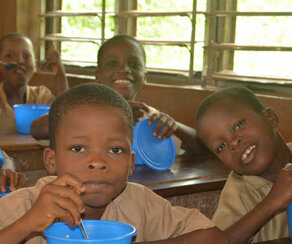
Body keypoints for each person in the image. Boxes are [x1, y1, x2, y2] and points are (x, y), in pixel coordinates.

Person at [0, 83, 229, 244]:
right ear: (51, 160)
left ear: (131, 164)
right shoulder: (25, 206)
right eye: (79, 148)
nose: (98, 162)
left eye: (115, 149)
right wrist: (27, 224)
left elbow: (214, 239)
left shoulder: (139, 201)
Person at [31, 34, 208, 155]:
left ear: (144, 77)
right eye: (112, 63)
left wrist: (173, 125)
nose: (124, 70)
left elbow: (203, 146)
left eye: (134, 64)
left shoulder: (148, 116)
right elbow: (37, 128)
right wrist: (111, 110)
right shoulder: (84, 112)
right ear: (98, 76)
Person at [196, 86, 292, 244]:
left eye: (238, 125)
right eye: (221, 146)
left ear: (270, 118)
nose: (233, 142)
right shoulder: (239, 192)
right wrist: (272, 202)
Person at [0, 32, 68, 134]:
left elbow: (66, 119)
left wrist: (60, 75)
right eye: (10, 56)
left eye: (26, 56)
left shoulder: (41, 96)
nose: (19, 61)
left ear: (35, 65)